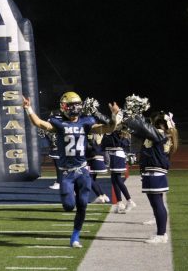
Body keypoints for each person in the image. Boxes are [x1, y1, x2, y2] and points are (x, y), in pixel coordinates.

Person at [23, 92, 118, 248]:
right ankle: (72, 209)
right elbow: (39, 123)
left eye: (77, 105)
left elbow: (107, 128)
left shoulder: (86, 122)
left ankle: (75, 237)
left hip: (82, 170)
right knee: (68, 206)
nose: (74, 108)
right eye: (71, 105)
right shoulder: (59, 123)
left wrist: (114, 116)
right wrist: (29, 109)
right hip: (66, 172)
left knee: (82, 204)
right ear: (64, 107)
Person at [122, 110, 178, 244]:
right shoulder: (159, 134)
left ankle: (161, 234)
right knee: (155, 203)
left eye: (154, 123)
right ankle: (160, 231)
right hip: (152, 172)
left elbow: (142, 127)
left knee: (157, 203)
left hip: (155, 172)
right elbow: (138, 130)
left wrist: (133, 114)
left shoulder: (159, 134)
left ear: (160, 124)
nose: (151, 125)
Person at [102, 126, 136, 213]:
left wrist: (112, 131)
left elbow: (119, 141)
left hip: (117, 154)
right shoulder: (116, 130)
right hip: (114, 154)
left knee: (118, 180)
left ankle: (129, 201)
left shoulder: (121, 130)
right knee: (114, 180)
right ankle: (120, 202)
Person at [87, 133, 110, 204]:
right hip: (100, 157)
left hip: (93, 158)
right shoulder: (101, 133)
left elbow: (89, 146)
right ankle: (103, 195)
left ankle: (100, 196)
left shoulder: (92, 133)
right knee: (93, 179)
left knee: (88, 178)